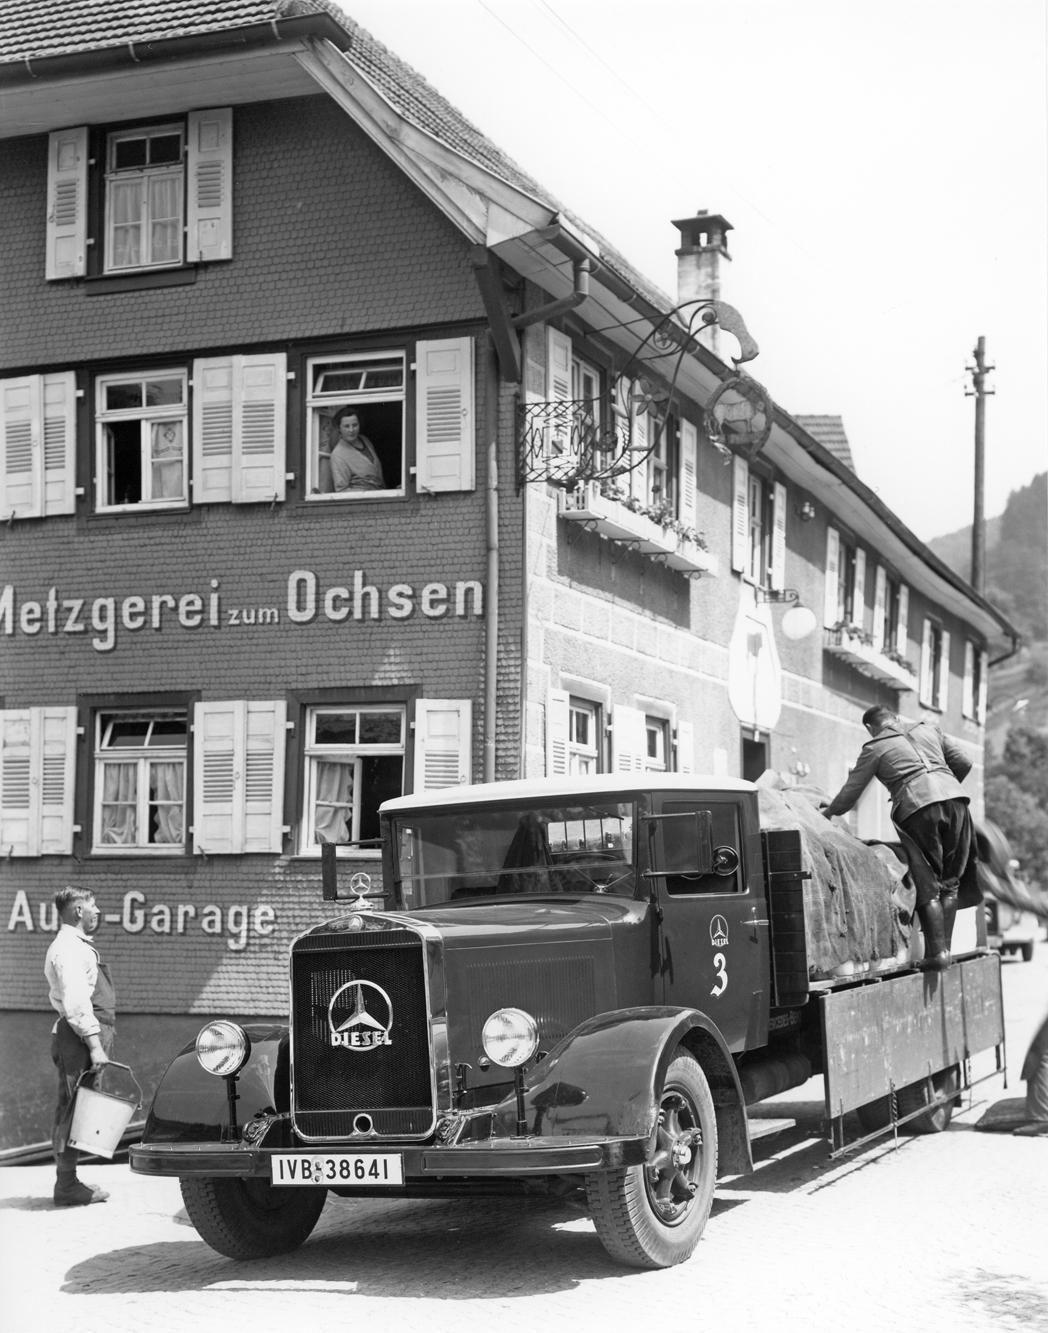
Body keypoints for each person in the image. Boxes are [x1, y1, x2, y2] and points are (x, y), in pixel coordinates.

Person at [821, 705, 975, 970]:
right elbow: (964, 763)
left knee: (928, 883)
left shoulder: (875, 748)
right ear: (895, 718)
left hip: (918, 808)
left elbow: (850, 793)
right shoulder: (929, 729)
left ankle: (936, 955)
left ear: (871, 727)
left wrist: (828, 813)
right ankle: (945, 950)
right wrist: (944, 785)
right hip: (958, 802)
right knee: (950, 883)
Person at [44, 886, 115, 1206]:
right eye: (92, 906)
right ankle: (67, 1186)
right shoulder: (69, 949)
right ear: (77, 912)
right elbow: (75, 1003)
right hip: (78, 1038)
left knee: (82, 1109)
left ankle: (69, 1182)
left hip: (81, 1036)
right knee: (74, 1110)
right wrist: (95, 1045)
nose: (97, 911)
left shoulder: (79, 946)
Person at [328, 407, 386, 491]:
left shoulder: (365, 440)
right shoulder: (338, 454)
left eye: (355, 425)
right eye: (346, 426)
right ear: (339, 428)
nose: (351, 430)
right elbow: (342, 490)